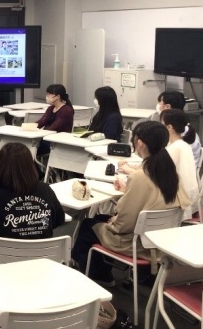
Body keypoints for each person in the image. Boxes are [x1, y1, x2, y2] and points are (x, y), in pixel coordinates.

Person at [71, 121, 190, 286]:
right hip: (160, 239)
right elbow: (155, 199)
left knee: (88, 225)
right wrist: (128, 190)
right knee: (99, 220)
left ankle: (99, 275)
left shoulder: (140, 177)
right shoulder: (170, 172)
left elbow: (123, 224)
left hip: (137, 243)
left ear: (139, 143)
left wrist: (113, 221)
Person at [0, 143, 65, 239]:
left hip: (7, 249)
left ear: (0, 165)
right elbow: (58, 220)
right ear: (30, 165)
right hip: (44, 249)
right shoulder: (45, 190)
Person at [160, 109, 199, 220]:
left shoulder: (174, 148)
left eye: (161, 124)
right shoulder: (182, 144)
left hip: (178, 199)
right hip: (185, 196)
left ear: (169, 127)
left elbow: (156, 172)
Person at [151, 90, 202, 168]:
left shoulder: (178, 135)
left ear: (167, 107)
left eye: (160, 102)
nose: (158, 105)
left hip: (179, 171)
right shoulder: (182, 124)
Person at [35, 84, 75, 159]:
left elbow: (54, 128)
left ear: (58, 96)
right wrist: (29, 126)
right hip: (47, 138)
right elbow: (41, 121)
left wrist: (40, 133)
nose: (47, 96)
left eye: (50, 94)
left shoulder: (66, 110)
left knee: (31, 148)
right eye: (47, 93)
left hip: (57, 142)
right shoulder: (51, 108)